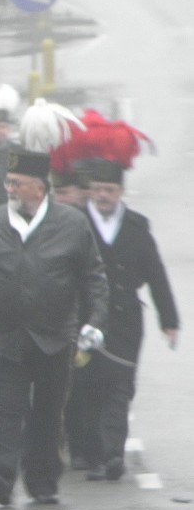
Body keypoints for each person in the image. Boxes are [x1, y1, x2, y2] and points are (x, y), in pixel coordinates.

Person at [0, 146, 108, 505]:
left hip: (55, 338)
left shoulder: (72, 224)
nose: (9, 189)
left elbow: (94, 278)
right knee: (10, 408)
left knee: (47, 412)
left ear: (39, 187)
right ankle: (1, 472)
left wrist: (94, 322)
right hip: (6, 337)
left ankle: (43, 479)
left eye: (17, 183)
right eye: (8, 182)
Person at [68, 157, 178, 482]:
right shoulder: (74, 222)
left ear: (121, 191)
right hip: (83, 319)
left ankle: (111, 454)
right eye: (98, 189)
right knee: (86, 388)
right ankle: (86, 450)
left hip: (126, 322)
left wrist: (168, 319)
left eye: (110, 190)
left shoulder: (136, 226)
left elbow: (156, 274)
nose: (103, 195)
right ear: (91, 191)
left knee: (119, 387)